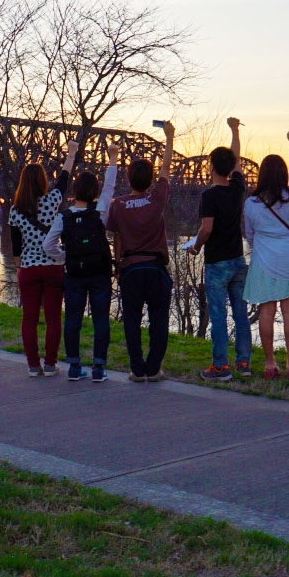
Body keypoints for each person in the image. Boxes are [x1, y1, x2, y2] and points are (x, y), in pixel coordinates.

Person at [42, 143, 121, 381]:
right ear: (94, 191)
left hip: (74, 274)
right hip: (99, 274)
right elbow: (110, 186)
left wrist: (66, 257)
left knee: (73, 320)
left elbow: (47, 245)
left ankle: (74, 368)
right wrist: (113, 159)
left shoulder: (64, 216)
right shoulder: (101, 209)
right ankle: (99, 368)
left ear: (74, 190)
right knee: (100, 320)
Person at [107, 122, 175, 383]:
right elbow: (166, 168)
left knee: (131, 321)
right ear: (150, 180)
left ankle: (137, 369)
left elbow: (117, 238)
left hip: (131, 269)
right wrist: (169, 137)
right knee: (159, 321)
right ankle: (154, 368)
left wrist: (117, 266)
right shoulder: (157, 198)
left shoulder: (119, 205)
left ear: (128, 179)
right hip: (156, 269)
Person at [9, 141, 80, 377]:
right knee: (52, 319)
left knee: (29, 319)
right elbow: (64, 179)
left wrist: (21, 266)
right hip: (52, 268)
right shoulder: (51, 202)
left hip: (28, 269)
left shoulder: (15, 210)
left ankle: (32, 365)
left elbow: (16, 246)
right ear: (42, 181)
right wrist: (71, 154)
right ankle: (50, 365)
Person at [243, 132, 289, 380]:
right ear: (283, 175)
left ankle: (270, 363)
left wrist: (259, 241)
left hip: (264, 259)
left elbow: (249, 233)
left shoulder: (251, 203)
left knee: (267, 311)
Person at [191, 117, 252, 382]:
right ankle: (244, 363)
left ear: (212, 167)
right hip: (238, 260)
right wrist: (235, 131)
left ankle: (220, 367)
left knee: (218, 315)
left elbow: (206, 229)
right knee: (240, 313)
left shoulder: (209, 195)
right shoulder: (238, 189)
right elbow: (236, 160)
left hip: (217, 263)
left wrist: (195, 246)